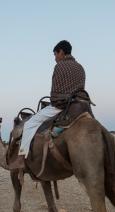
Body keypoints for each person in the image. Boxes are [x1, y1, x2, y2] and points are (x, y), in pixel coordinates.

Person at [11, 40, 86, 169]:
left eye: (55, 55)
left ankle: (21, 158)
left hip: (62, 106)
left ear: (61, 52)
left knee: (29, 124)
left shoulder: (60, 66)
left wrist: (55, 100)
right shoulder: (80, 67)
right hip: (79, 106)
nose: (55, 58)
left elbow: (55, 92)